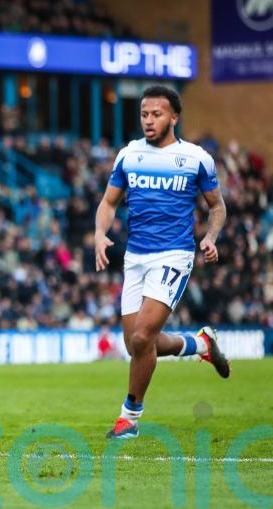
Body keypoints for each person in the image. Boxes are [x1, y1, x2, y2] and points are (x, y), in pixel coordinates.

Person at [94, 85, 229, 440]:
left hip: (174, 254)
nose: (149, 121)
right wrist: (98, 234)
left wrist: (211, 237)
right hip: (136, 257)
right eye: (144, 114)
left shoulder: (196, 158)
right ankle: (201, 344)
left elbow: (217, 206)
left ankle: (129, 419)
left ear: (174, 117)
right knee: (137, 344)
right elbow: (109, 203)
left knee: (142, 336)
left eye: (156, 114)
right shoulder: (129, 155)